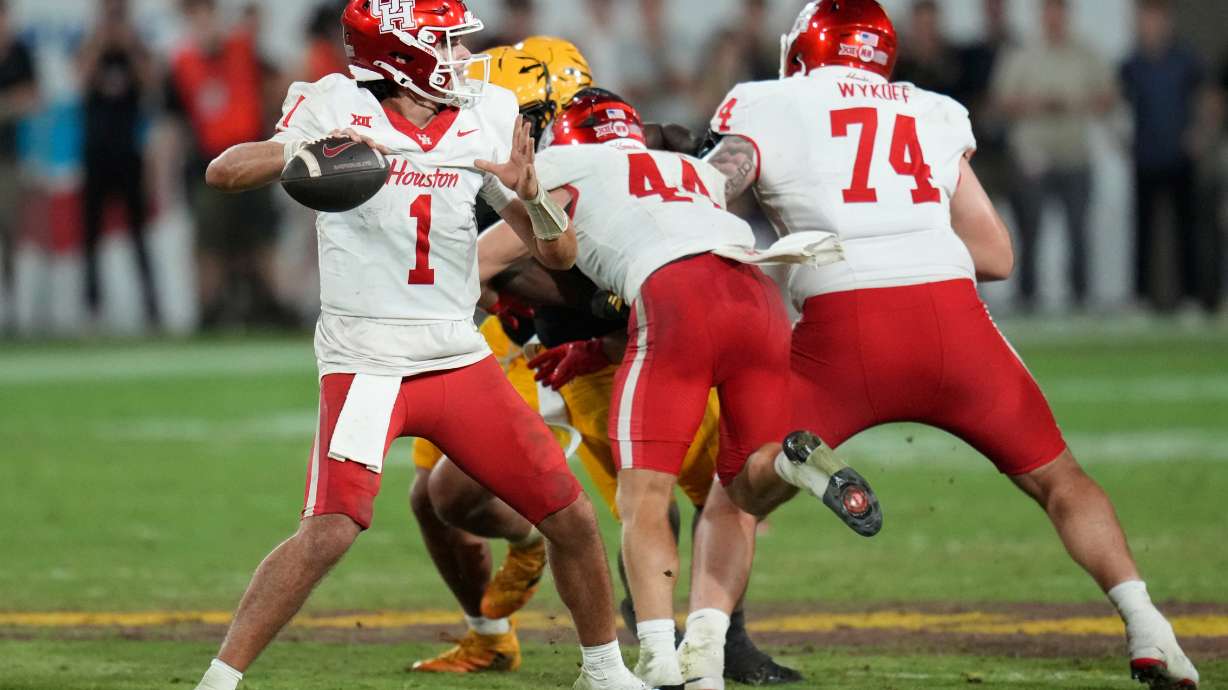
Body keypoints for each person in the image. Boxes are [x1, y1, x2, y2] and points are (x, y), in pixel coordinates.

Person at [700, 1, 1200, 688]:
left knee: (738, 493)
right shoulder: (928, 109)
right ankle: (1151, 630)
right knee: (1061, 482)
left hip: (845, 330)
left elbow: (712, 192)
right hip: (953, 319)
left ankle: (700, 654)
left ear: (804, 48)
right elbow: (996, 253)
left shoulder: (767, 102)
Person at [189, 3, 646, 690]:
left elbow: (557, 252)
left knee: (571, 516)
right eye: (447, 45)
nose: (464, 58)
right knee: (331, 531)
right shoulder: (337, 104)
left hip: (456, 356)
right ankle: (219, 680)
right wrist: (315, 156)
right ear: (399, 54)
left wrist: (534, 195)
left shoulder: (487, 112)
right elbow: (225, 171)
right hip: (368, 359)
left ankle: (606, 673)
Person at [480, 87, 877, 688]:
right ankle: (789, 480)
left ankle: (661, 658)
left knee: (644, 498)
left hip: (677, 299)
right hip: (758, 293)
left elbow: (485, 259)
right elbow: (730, 162)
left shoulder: (565, 166)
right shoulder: (693, 171)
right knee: (743, 486)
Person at [165, 0, 289, 328]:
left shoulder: (243, 49)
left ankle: (273, 306)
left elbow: (280, 85)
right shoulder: (182, 62)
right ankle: (208, 312)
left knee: (262, 239)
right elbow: (174, 124)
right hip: (209, 165)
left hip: (253, 159)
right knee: (210, 243)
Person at [991, 0, 1115, 311]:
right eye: (1049, 11)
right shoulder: (1022, 53)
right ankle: (1028, 298)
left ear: (1066, 14)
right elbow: (1001, 101)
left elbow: (1108, 96)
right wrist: (1037, 104)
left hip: (1075, 155)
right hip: (1034, 157)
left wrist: (1076, 103)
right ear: (1041, 15)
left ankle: (1081, 299)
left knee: (1078, 229)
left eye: (1059, 11)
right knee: (1029, 230)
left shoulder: (1085, 53)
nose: (1054, 18)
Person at [1120, 0, 1217, 313]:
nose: (1149, 25)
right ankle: (1141, 297)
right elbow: (1115, 104)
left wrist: (1201, 133)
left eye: (1155, 19)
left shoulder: (1185, 59)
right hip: (1145, 157)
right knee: (1143, 231)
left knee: (1186, 230)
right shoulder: (1132, 63)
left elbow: (1208, 97)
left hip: (1179, 156)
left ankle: (1190, 297)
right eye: (1144, 19)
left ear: (1167, 21)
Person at [79, 0, 159, 328]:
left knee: (139, 236)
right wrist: (100, 41)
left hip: (128, 155)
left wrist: (129, 43)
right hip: (96, 155)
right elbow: (79, 81)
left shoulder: (135, 47)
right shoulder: (91, 45)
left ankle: (151, 308)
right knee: (91, 237)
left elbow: (150, 83)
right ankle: (92, 309)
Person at [0, 0, 37, 331]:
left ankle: (13, 312)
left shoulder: (19, 53)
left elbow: (32, 99)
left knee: (11, 235)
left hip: (8, 160)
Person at [892, 0, 960, 96]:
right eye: (921, 26)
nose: (926, 32)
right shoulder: (899, 64)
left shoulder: (953, 63)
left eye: (929, 25)